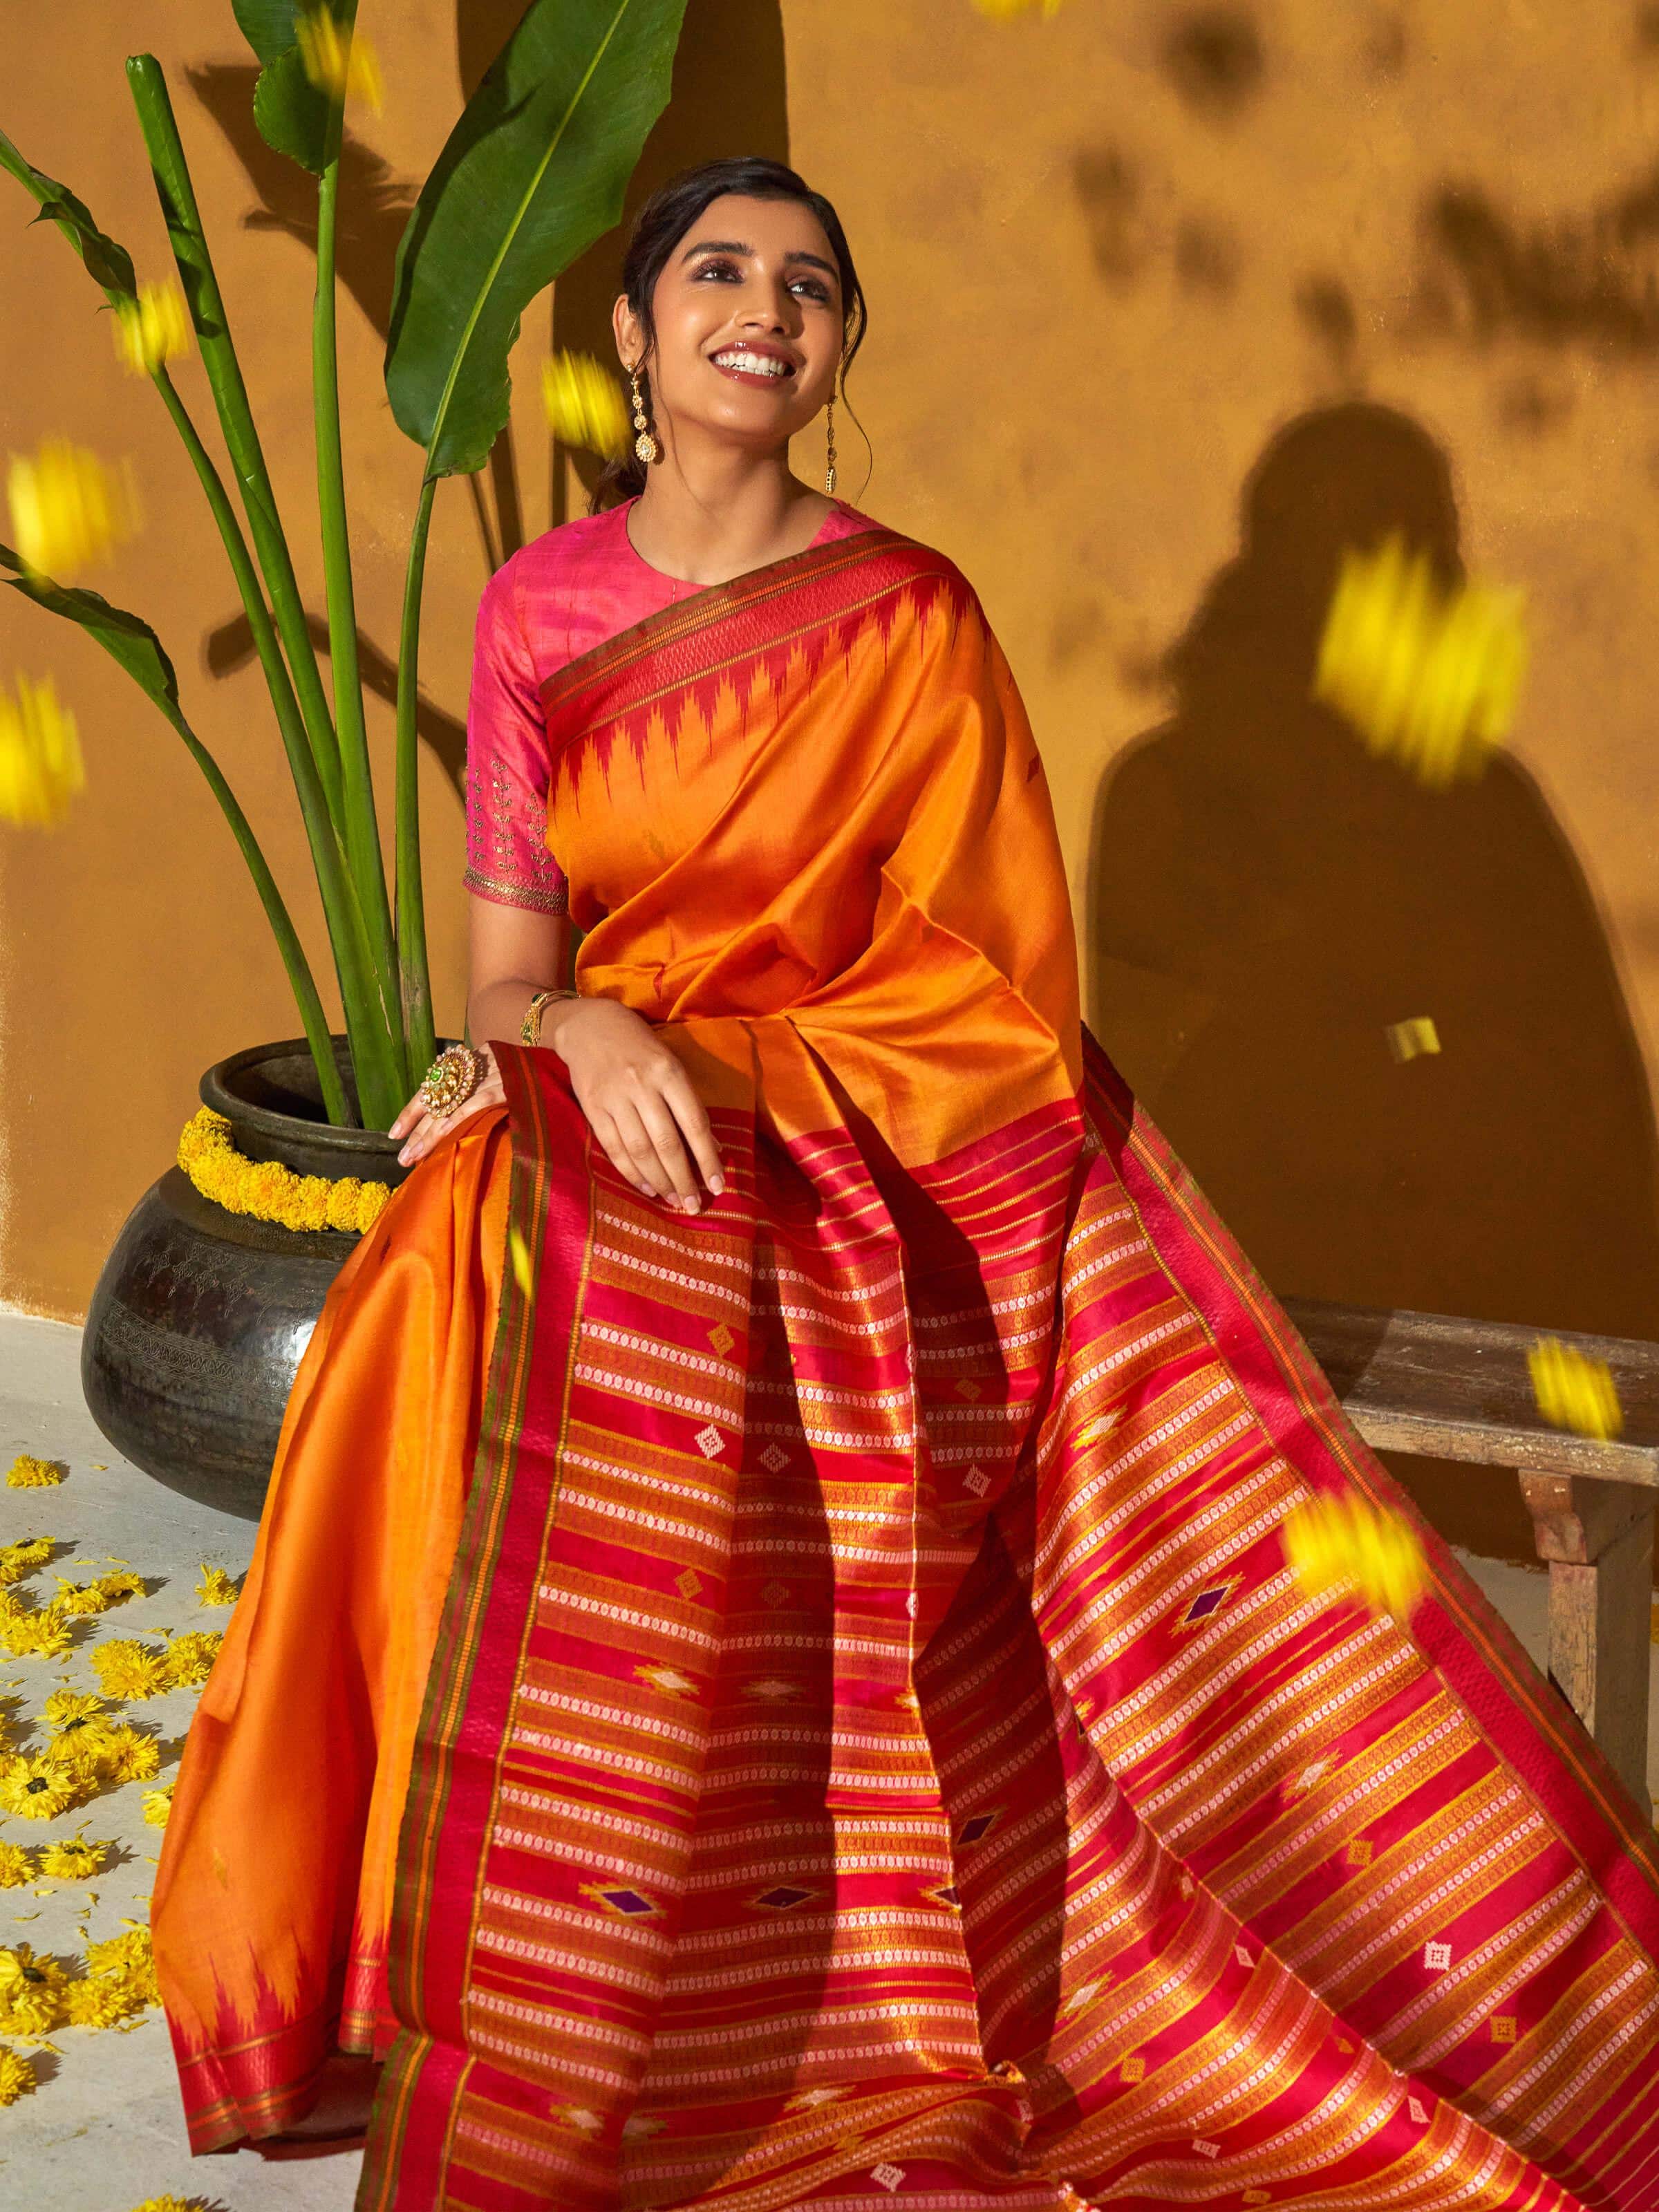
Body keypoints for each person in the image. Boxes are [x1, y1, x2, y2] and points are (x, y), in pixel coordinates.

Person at [153, 159, 1659, 2212]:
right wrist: (575, 1034)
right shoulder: (537, 610)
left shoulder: (910, 613)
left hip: (877, 1130)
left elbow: (997, 994)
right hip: (617, 1089)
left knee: (638, 1264)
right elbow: (503, 970)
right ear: (631, 329)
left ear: (841, 347)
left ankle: (755, 1964)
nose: (766, 307)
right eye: (718, 271)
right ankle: (468, 1930)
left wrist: (742, 1076)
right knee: (452, 1262)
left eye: (811, 285)